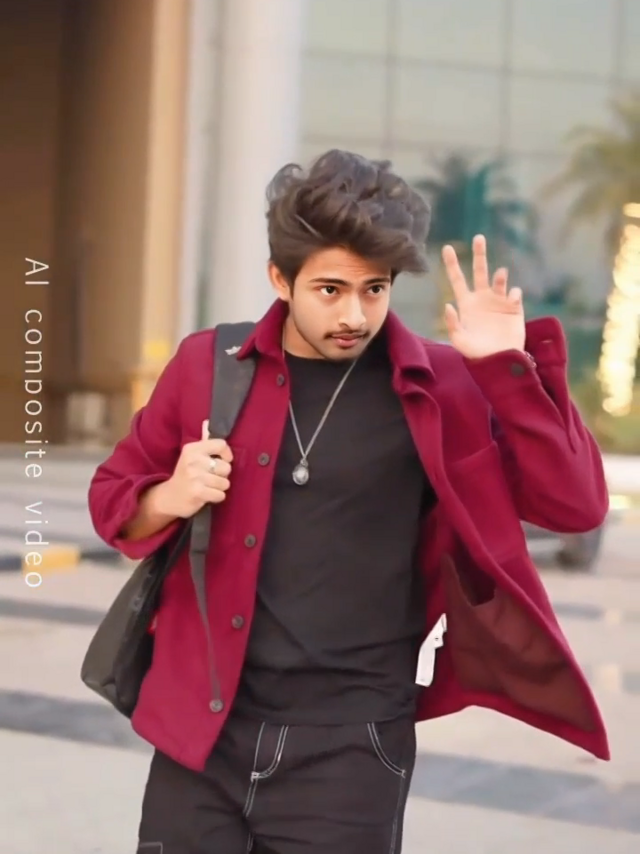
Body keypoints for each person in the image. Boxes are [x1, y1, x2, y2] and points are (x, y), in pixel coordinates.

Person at [88, 149, 610, 854]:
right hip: (204, 736)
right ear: (281, 279)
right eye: (330, 290)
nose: (354, 314)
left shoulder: (442, 384)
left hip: (352, 745)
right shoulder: (208, 366)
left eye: (374, 289)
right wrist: (169, 496)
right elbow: (112, 500)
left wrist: (505, 370)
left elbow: (575, 507)